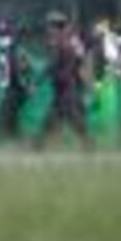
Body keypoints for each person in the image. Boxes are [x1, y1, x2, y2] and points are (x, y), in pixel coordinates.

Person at [36, 12, 92, 151]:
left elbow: (52, 65)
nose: (48, 29)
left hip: (65, 87)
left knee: (71, 117)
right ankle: (38, 144)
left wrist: (38, 80)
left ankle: (88, 144)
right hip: (65, 86)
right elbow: (79, 61)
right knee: (54, 117)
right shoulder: (70, 41)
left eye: (50, 26)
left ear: (55, 27)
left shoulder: (61, 43)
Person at [0, 20, 32, 145]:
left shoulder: (14, 50)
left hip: (15, 89)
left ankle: (0, 143)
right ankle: (18, 142)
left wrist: (24, 87)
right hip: (13, 88)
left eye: (4, 34)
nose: (1, 36)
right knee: (11, 119)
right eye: (0, 33)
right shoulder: (7, 49)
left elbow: (19, 71)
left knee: (3, 118)